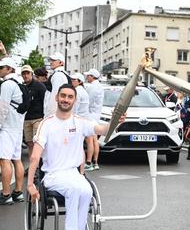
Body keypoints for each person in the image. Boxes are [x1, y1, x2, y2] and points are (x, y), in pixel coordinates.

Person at [27, 84, 126, 230]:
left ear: (74, 100)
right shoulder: (46, 124)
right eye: (63, 96)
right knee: (74, 190)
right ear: (57, 98)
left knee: (86, 191)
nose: (66, 99)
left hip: (73, 174)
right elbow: (35, 156)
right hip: (53, 175)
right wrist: (30, 184)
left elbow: (103, 130)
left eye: (70, 97)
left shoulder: (80, 122)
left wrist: (116, 120)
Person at [0, 57, 25, 205]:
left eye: (1, 67)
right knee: (17, 160)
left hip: (7, 127)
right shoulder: (19, 83)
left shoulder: (7, 85)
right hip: (17, 127)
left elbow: (2, 108)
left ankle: (6, 194)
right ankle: (18, 192)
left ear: (9, 69)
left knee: (4, 161)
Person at [21, 65, 46, 158]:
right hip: (26, 119)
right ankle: (33, 166)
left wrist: (44, 117)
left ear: (31, 74)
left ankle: (39, 167)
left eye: (27, 73)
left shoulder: (39, 86)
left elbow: (45, 102)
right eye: (23, 74)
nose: (25, 75)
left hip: (38, 118)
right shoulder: (22, 86)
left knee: (37, 144)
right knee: (29, 143)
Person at [84, 68, 104, 171]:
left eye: (88, 76)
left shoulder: (91, 87)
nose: (87, 77)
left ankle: (88, 162)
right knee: (95, 140)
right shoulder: (100, 86)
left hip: (90, 114)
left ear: (92, 76)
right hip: (96, 114)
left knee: (90, 140)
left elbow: (88, 102)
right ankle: (95, 162)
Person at [44, 52, 70, 117]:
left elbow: (55, 96)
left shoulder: (58, 75)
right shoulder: (62, 74)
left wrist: (51, 116)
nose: (51, 62)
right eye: (51, 60)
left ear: (61, 63)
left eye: (54, 60)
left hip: (54, 114)